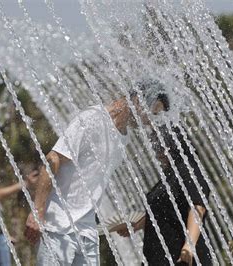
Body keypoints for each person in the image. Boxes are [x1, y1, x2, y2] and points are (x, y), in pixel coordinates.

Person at [24, 90, 170, 265]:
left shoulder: (124, 137)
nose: (149, 120)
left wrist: (119, 223)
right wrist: (38, 210)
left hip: (87, 231)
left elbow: (94, 185)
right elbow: (52, 159)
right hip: (58, 226)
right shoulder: (93, 119)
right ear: (137, 100)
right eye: (152, 112)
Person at [117, 125, 211, 265]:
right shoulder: (170, 175)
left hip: (181, 256)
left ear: (172, 145)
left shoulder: (189, 170)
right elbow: (161, 210)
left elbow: (198, 207)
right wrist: (136, 226)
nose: (156, 152)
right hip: (159, 255)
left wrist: (189, 245)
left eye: (159, 146)